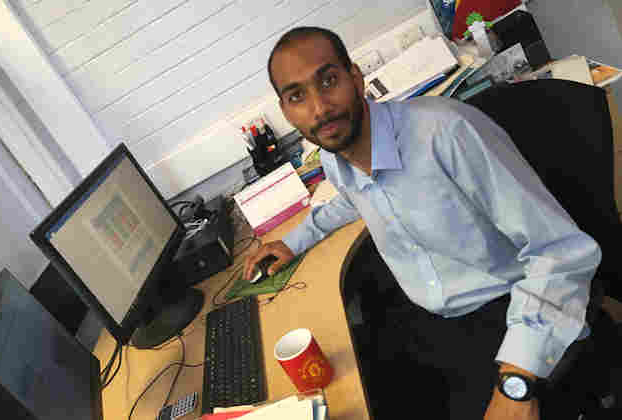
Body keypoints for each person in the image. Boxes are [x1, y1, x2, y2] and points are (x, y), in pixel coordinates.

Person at [244, 26, 602, 419]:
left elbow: (561, 252)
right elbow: (351, 198)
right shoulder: (335, 153)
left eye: (328, 81)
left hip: (511, 308)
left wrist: (516, 383)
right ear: (286, 111)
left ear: (356, 77)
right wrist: (293, 241)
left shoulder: (447, 134)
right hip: (434, 320)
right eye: (298, 96)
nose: (319, 108)